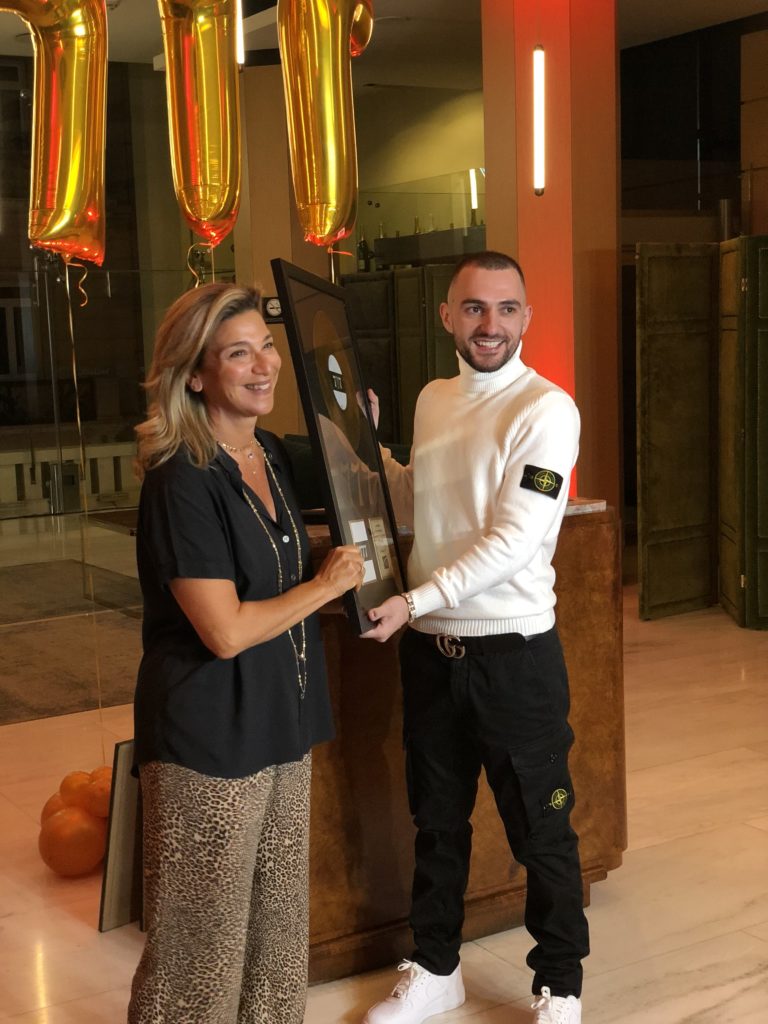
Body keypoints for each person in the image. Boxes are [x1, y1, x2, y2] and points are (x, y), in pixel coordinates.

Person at [362, 252, 589, 1024]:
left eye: (506, 308)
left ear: (526, 318)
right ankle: (437, 969)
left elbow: (516, 540)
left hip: (513, 658)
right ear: (447, 315)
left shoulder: (547, 411)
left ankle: (561, 985)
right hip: (431, 655)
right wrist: (367, 448)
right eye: (474, 308)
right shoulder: (433, 399)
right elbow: (416, 499)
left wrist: (415, 599)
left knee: (542, 830)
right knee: (436, 823)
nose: (490, 324)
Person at [127, 282, 364, 1024]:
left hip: (281, 719)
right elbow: (223, 630)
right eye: (238, 354)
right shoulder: (182, 478)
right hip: (208, 739)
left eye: (266, 346)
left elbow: (356, 461)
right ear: (196, 374)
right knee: (200, 952)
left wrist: (358, 421)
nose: (264, 365)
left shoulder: (267, 452)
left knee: (277, 935)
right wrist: (325, 587)